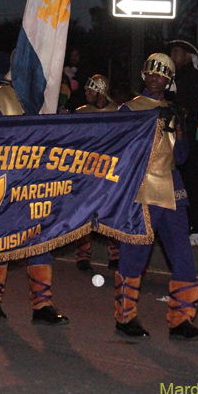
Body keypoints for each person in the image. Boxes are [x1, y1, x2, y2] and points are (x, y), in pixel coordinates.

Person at [114, 53, 198, 340]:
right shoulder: (130, 109)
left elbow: (181, 156)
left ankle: (181, 321)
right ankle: (125, 318)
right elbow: (121, 153)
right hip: (142, 191)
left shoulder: (174, 110)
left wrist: (178, 132)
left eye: (162, 73)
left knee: (183, 256)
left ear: (169, 80)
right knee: (134, 255)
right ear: (143, 75)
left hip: (173, 191)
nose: (156, 77)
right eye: (151, 72)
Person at [0, 63, 69, 325]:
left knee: (40, 241)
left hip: (37, 183)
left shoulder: (45, 99)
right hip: (5, 182)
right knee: (1, 242)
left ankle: (43, 305)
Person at [73, 75, 121, 271]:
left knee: (112, 213)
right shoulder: (80, 113)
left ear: (99, 91)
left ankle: (115, 256)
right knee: (84, 216)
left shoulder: (119, 112)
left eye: (89, 90)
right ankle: (82, 256)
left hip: (110, 172)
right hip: (86, 172)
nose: (86, 93)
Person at [165, 38, 198, 245]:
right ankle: (179, 226)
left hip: (192, 141)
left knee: (193, 185)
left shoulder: (196, 78)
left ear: (187, 56)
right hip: (175, 141)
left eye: (176, 53)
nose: (172, 57)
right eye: (171, 53)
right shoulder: (172, 79)